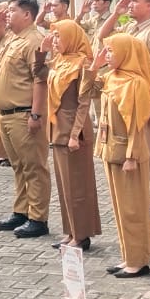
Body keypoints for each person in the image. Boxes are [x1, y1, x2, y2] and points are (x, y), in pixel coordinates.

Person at [95, 33, 150, 277]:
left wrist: (131, 155)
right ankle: (129, 255)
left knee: (133, 209)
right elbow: (87, 89)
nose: (108, 55)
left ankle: (139, 260)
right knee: (121, 209)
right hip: (110, 148)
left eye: (111, 51)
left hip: (127, 154)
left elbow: (137, 124)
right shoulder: (112, 77)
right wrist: (95, 65)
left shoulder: (136, 83)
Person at [0, 0, 51, 239]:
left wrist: (36, 114)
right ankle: (21, 210)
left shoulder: (35, 40)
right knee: (19, 167)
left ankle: (38, 217)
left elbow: (40, 80)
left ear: (27, 14)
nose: (7, 13)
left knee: (34, 167)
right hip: (6, 114)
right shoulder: (13, 38)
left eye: (12, 10)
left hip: (23, 113)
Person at [44, 19, 102, 252]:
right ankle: (71, 232)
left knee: (78, 185)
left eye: (59, 36)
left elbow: (83, 102)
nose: (56, 41)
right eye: (54, 37)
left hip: (73, 132)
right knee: (65, 186)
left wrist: (74, 133)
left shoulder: (81, 64)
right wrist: (43, 51)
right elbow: (37, 73)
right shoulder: (60, 61)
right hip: (58, 129)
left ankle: (82, 234)